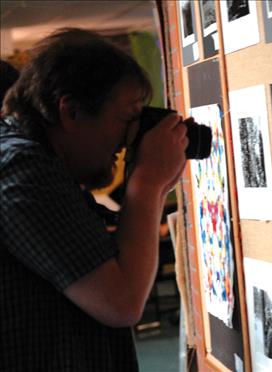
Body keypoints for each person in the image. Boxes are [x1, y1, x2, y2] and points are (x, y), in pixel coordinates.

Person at [0, 28, 188, 371]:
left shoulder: (32, 166)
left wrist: (156, 184)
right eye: (126, 118)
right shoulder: (22, 172)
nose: (131, 138)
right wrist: (146, 182)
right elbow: (121, 303)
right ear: (71, 112)